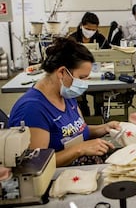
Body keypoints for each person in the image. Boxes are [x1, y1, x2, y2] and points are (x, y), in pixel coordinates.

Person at [8, 37, 120, 167]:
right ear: (62, 72)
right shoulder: (32, 110)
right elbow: (35, 164)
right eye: (82, 77)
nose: (84, 83)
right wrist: (80, 149)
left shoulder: (66, 95)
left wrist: (104, 128)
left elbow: (76, 131)